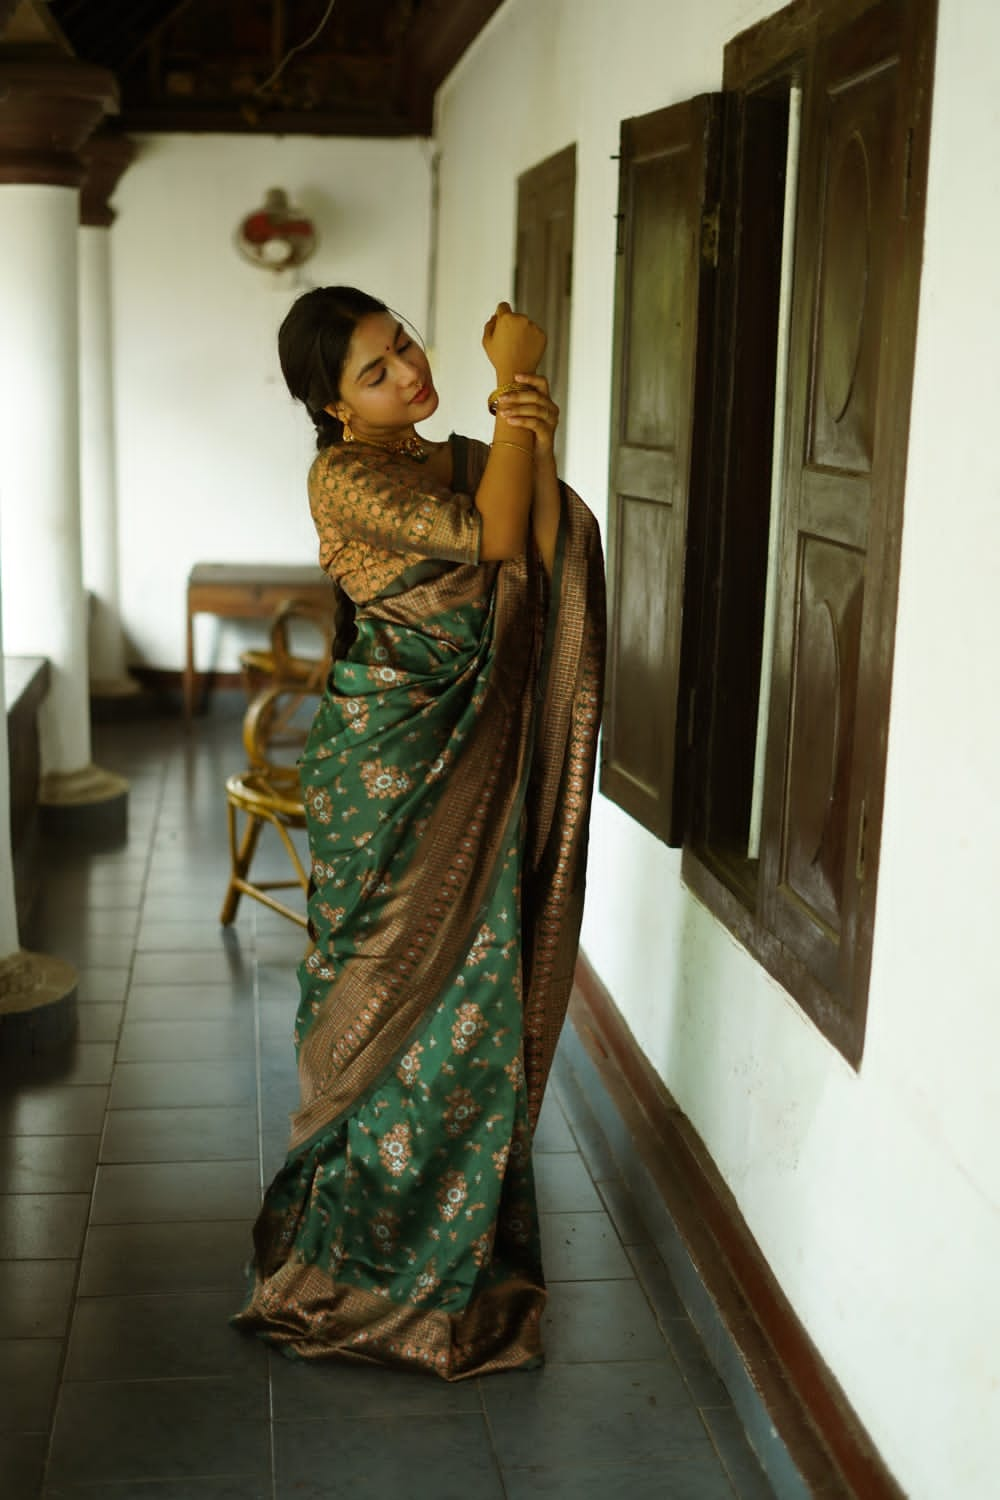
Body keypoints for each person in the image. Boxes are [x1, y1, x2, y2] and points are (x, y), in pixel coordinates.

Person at [233, 285, 605, 1379]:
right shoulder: (347, 472)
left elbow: (533, 540)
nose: (407, 371)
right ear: (337, 408)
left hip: (461, 744)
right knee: (381, 999)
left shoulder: (429, 455)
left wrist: (518, 407)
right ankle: (350, 1265)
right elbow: (496, 530)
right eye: (376, 372)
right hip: (390, 764)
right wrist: (513, 390)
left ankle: (450, 1260)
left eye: (402, 345)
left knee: (470, 1003)